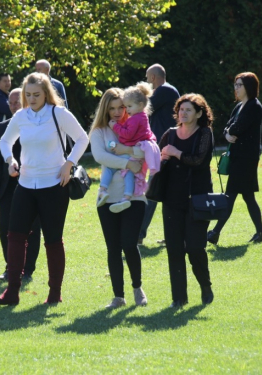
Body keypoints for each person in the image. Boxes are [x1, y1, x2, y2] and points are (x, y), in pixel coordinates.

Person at [0, 72, 89, 305]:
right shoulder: (21, 116)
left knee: (53, 240)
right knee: (14, 236)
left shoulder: (59, 113)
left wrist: (68, 164)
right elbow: (5, 141)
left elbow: (83, 138)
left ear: (46, 93)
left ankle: (54, 294)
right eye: (28, 95)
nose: (32, 98)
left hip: (54, 186)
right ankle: (12, 292)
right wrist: (10, 161)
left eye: (37, 94)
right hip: (25, 185)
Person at [90, 88, 148, 309]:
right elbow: (99, 155)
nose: (116, 112)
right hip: (107, 199)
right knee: (113, 247)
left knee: (129, 243)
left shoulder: (138, 124)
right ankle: (118, 296)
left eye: (120, 107)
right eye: (112, 108)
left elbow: (145, 151)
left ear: (128, 106)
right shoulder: (99, 132)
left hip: (133, 196)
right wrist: (126, 160)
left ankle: (137, 287)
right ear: (105, 109)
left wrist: (125, 151)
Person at [159, 93, 215, 308]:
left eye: (188, 110)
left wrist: (175, 152)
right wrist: (163, 158)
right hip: (172, 200)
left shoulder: (204, 133)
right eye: (181, 109)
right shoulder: (169, 134)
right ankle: (179, 298)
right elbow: (160, 160)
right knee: (174, 250)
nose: (183, 113)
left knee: (194, 247)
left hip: (197, 200)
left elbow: (198, 161)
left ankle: (205, 285)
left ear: (199, 113)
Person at [207, 72, 262, 244]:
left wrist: (229, 132)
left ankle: (215, 233)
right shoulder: (239, 106)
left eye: (239, 85)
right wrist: (226, 134)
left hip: (246, 159)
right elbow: (228, 127)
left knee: (230, 195)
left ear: (249, 87)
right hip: (237, 157)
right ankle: (261, 233)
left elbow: (237, 127)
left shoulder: (254, 106)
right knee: (247, 196)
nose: (236, 88)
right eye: (235, 84)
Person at [0, 88, 41, 282]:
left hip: (33, 183)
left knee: (32, 228)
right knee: (4, 226)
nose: (13, 106)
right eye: (10, 103)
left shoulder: (36, 123)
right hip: (8, 187)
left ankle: (27, 269)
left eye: (16, 102)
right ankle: (11, 266)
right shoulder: (4, 126)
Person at [98, 83, 159, 213]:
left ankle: (103, 190)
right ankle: (126, 197)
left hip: (133, 152)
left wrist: (115, 127)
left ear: (141, 105)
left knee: (113, 169)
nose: (122, 111)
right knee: (129, 173)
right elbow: (100, 156)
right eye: (112, 108)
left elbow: (128, 134)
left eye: (125, 107)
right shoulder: (141, 117)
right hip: (134, 153)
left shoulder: (134, 119)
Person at [138, 64, 180, 244]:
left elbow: (143, 107)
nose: (147, 81)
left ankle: (139, 235)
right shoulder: (168, 91)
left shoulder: (164, 91)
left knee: (154, 190)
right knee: (163, 191)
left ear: (153, 78)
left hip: (165, 147)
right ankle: (173, 234)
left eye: (147, 78)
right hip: (162, 146)